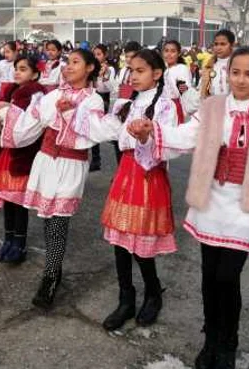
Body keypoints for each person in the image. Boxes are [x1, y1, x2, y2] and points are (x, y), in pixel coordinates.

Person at [132, 46, 249, 369]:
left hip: (245, 205)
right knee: (208, 275)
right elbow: (185, 135)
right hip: (213, 198)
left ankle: (227, 342)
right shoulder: (213, 108)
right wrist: (153, 133)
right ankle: (211, 338)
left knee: (228, 277)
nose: (241, 80)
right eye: (235, 72)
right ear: (226, 73)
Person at [71, 49, 178, 330]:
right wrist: (79, 111)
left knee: (141, 248)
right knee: (120, 244)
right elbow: (105, 130)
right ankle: (126, 298)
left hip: (148, 177)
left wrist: (145, 137)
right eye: (131, 70)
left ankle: (153, 294)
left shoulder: (165, 106)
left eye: (140, 70)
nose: (134, 75)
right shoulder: (125, 104)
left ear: (157, 74)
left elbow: (166, 147)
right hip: (126, 176)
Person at [0, 49, 103, 309]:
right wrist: (8, 112)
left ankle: (51, 276)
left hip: (70, 163)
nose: (69, 66)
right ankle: (53, 269)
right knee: (47, 218)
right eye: (68, 62)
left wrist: (68, 116)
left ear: (89, 68)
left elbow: (93, 131)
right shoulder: (54, 94)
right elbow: (30, 124)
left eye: (76, 62)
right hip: (46, 160)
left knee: (58, 222)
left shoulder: (93, 100)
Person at [0, 56, 46, 264]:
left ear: (35, 73)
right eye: (16, 68)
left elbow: (30, 122)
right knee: (8, 199)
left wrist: (8, 109)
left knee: (19, 201)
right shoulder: (12, 90)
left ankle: (19, 243)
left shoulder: (36, 93)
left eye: (23, 69)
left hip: (23, 152)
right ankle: (8, 239)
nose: (17, 72)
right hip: (9, 152)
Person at [89, 44, 116, 172]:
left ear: (105, 55)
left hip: (103, 98)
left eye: (99, 54)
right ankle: (95, 159)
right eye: (94, 54)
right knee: (92, 128)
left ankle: (112, 139)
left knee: (98, 126)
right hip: (92, 97)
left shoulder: (109, 69)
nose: (96, 56)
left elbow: (108, 88)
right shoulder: (92, 67)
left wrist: (103, 75)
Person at [162, 40, 193, 122]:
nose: (169, 54)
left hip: (176, 108)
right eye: (166, 51)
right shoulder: (164, 70)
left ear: (179, 53)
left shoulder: (181, 68)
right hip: (164, 107)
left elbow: (185, 91)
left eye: (173, 51)